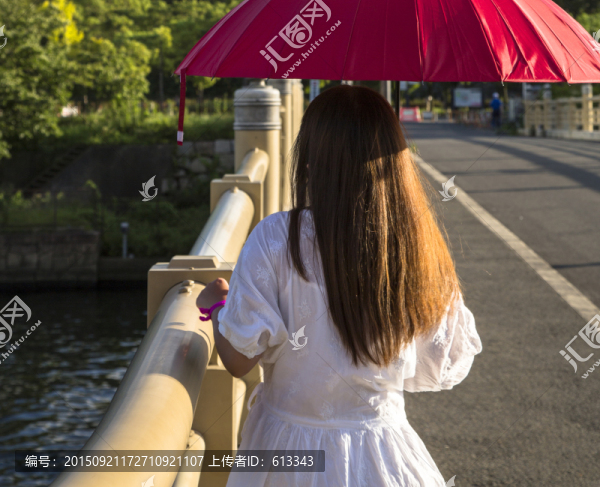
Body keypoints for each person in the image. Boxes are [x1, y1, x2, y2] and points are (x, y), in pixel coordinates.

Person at [197, 85, 482, 486]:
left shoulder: (277, 238)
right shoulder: (416, 245)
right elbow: (443, 365)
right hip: (383, 454)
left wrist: (215, 309)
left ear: (311, 161)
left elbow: (240, 359)